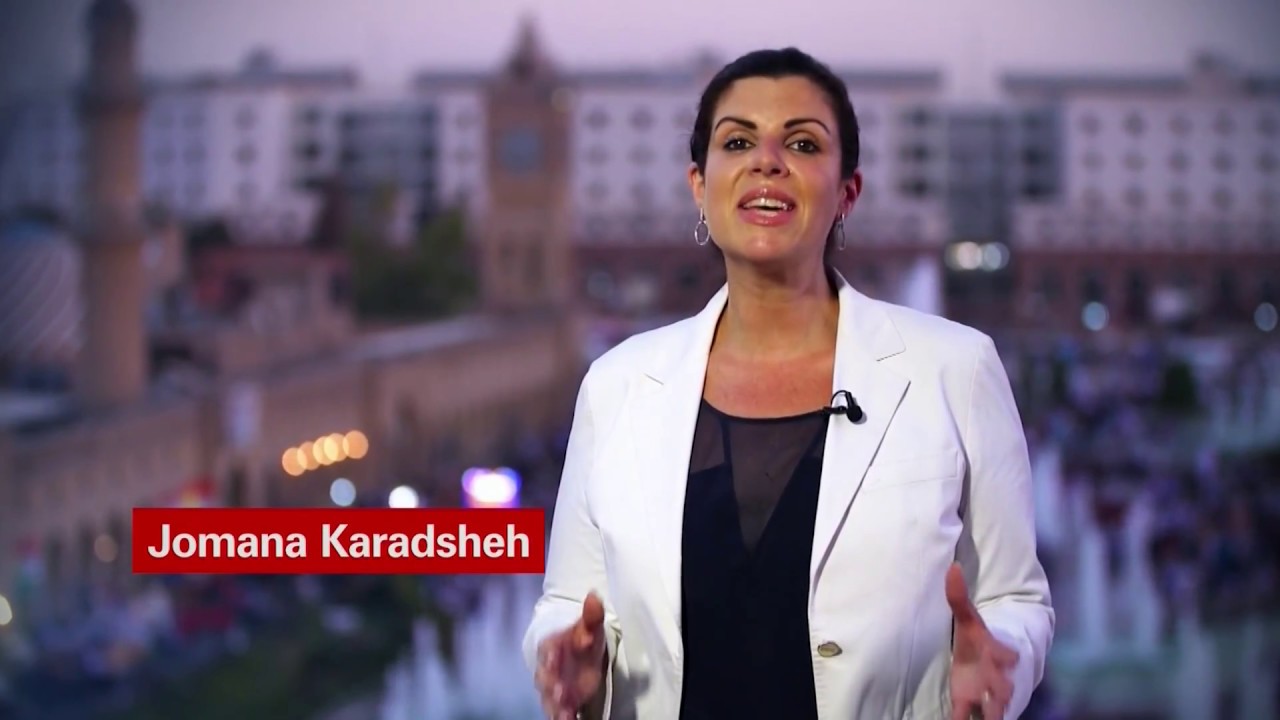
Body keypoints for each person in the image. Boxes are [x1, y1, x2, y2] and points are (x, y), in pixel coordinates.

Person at [523, 47, 1054, 720]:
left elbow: (1014, 600)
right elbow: (567, 603)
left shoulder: (957, 369)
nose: (766, 161)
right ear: (699, 185)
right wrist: (569, 663)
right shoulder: (617, 384)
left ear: (847, 193)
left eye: (802, 144)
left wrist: (1003, 661)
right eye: (737, 141)